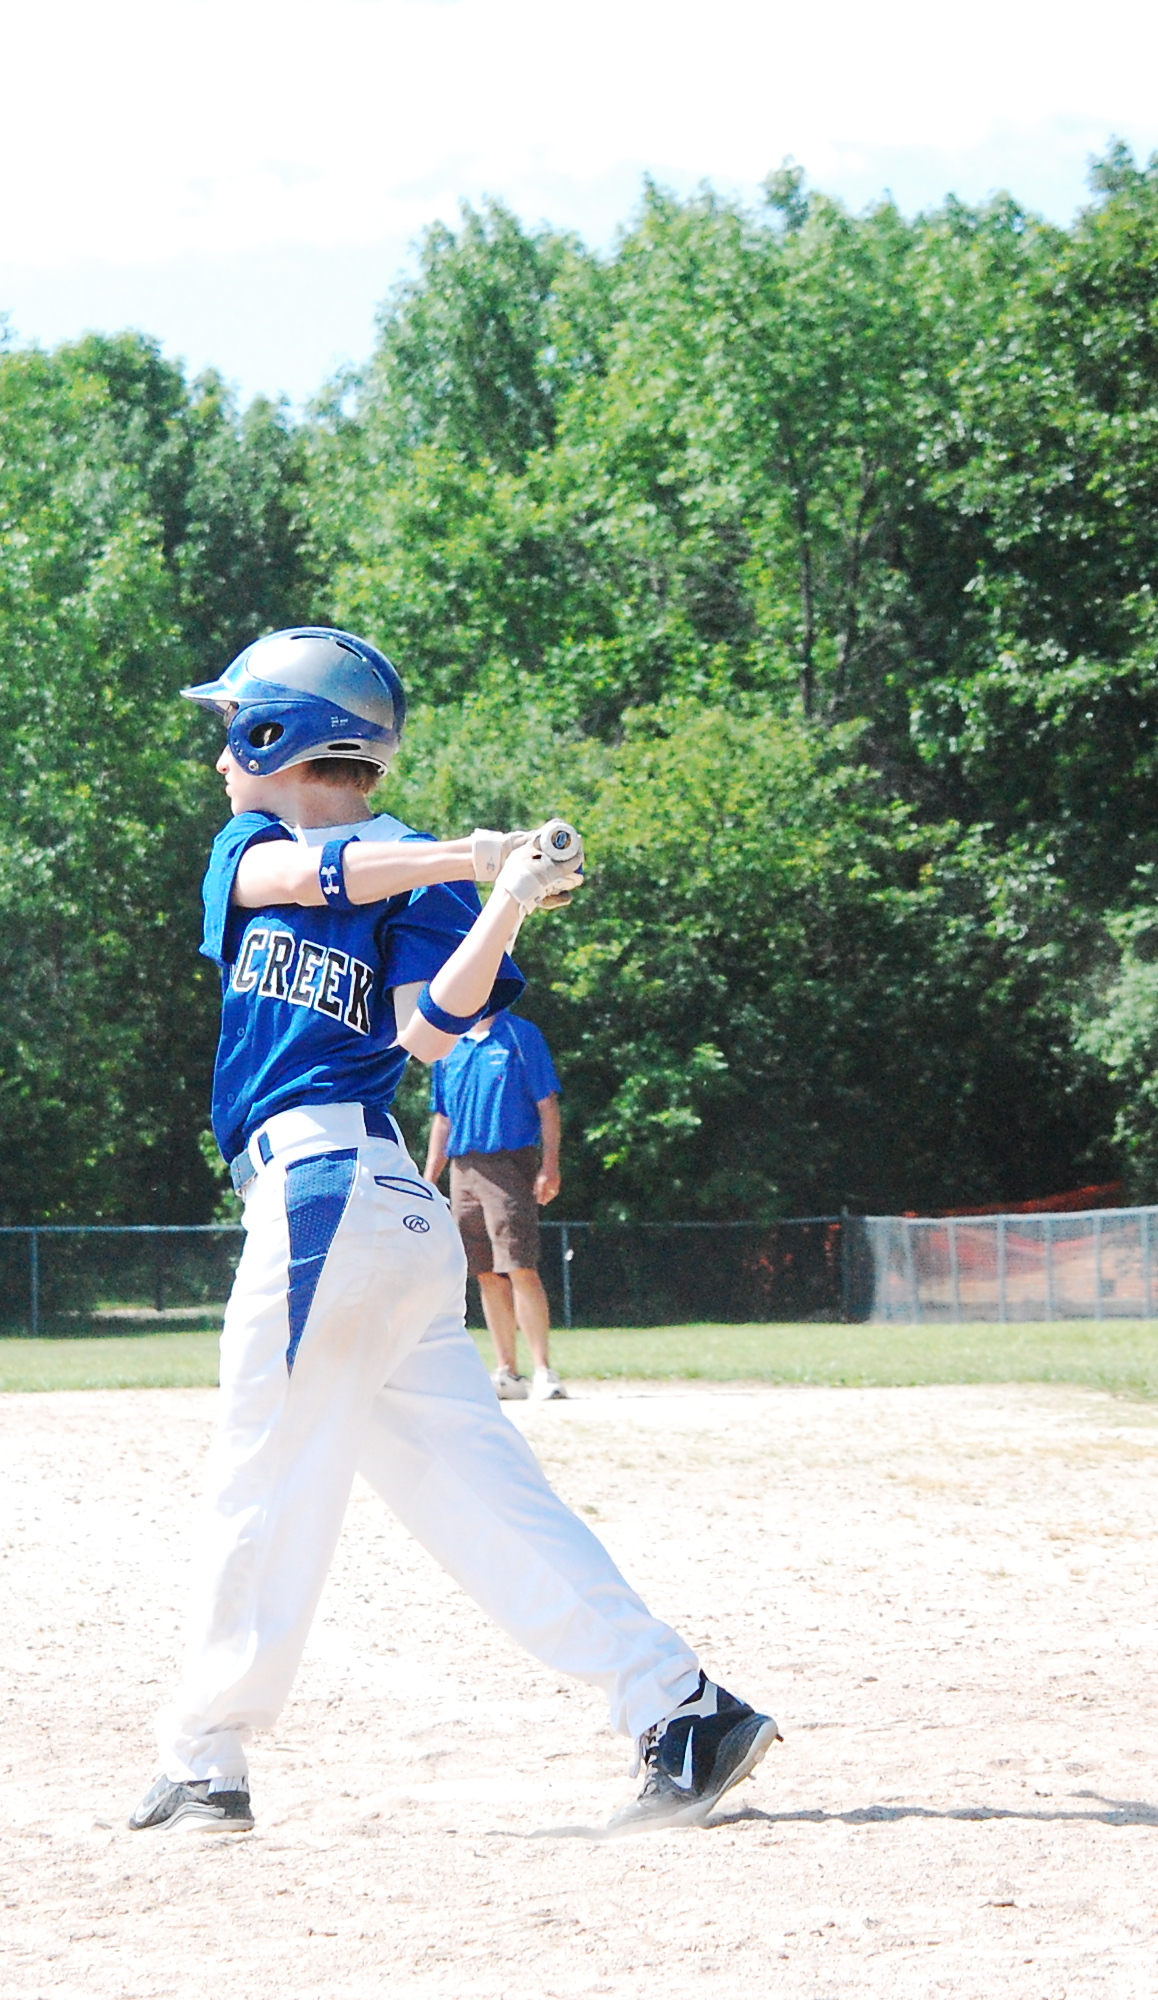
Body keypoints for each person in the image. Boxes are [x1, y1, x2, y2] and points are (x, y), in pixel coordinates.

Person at [128, 626, 775, 1837]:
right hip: (367, 1213)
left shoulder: (419, 879)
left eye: (232, 729)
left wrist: (505, 902)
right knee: (474, 1497)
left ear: (275, 733)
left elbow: (429, 1029)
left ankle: (205, 1761)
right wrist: (473, 855)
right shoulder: (253, 851)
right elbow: (304, 884)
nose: (219, 756)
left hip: (335, 1192)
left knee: (260, 1470)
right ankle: (679, 1706)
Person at [423, 1005, 568, 1400]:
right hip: (463, 1167)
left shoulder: (520, 1034)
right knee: (485, 1272)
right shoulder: (449, 1044)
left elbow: (547, 1104)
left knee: (519, 1264)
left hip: (508, 1162)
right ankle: (508, 1371)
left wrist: (550, 1165)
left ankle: (544, 1371)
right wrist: (428, 1179)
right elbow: (443, 1118)